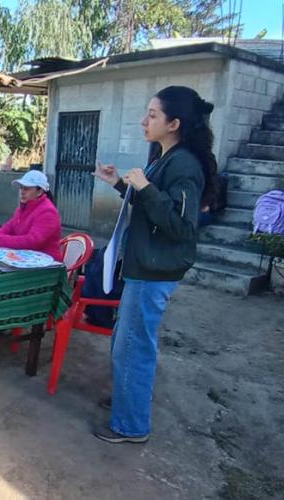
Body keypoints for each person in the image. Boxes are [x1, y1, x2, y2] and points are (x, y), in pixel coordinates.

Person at [92, 86, 217, 444]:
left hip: (154, 271)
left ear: (174, 123)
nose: (143, 121)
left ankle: (130, 425)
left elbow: (181, 227)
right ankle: (127, 402)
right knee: (126, 342)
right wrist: (121, 184)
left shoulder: (184, 164)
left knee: (134, 348)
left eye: (152, 115)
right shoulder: (165, 156)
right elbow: (152, 206)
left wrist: (145, 187)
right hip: (143, 266)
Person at [0, 171, 62, 262]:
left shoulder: (47, 212)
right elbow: (7, 229)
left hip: (48, 263)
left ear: (39, 192)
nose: (22, 192)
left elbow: (32, 242)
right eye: (21, 188)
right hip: (27, 259)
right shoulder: (22, 209)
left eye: (27, 189)